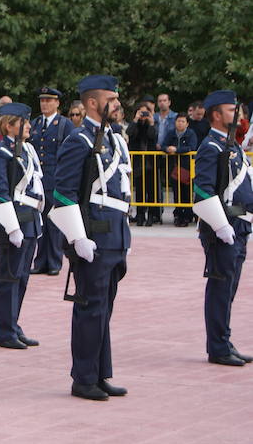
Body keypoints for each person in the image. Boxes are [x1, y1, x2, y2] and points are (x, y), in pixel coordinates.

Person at [49, 74, 131, 401]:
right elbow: (64, 193)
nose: (118, 104)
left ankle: (99, 373)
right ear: (94, 103)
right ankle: (83, 378)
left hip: (115, 236)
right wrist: (78, 237)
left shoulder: (114, 139)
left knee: (104, 309)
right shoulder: (78, 140)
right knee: (90, 308)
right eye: (112, 99)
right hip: (93, 237)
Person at [190, 91, 253, 367]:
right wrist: (220, 226)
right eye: (231, 110)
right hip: (222, 228)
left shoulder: (232, 146)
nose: (237, 115)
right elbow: (203, 191)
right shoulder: (210, 147)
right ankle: (217, 346)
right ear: (216, 115)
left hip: (239, 225)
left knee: (230, 288)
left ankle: (224, 340)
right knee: (220, 288)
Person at [0, 102, 43, 349]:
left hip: (29, 220)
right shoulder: (0, 152)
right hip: (12, 222)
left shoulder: (27, 150)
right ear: (10, 126)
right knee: (8, 277)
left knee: (21, 278)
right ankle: (5, 331)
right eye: (24, 123)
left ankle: (14, 324)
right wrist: (11, 227)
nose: (29, 127)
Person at [28, 87, 73, 276]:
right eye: (42, 100)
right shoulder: (35, 124)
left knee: (54, 223)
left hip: (56, 179)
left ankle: (54, 261)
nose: (44, 104)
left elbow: (69, 154)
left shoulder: (64, 124)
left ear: (57, 103)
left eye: (48, 100)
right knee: (39, 221)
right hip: (38, 181)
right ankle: (40, 261)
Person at [127, 98, 158, 226]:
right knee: (139, 189)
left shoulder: (152, 125)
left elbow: (152, 136)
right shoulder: (135, 124)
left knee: (151, 190)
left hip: (151, 162)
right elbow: (130, 133)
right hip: (138, 161)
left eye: (146, 113)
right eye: (141, 113)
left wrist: (151, 122)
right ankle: (140, 215)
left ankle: (151, 215)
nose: (143, 116)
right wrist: (135, 120)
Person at [163, 113, 197, 227]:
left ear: (187, 123)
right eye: (178, 121)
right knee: (176, 192)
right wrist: (167, 149)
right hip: (174, 167)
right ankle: (178, 215)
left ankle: (187, 215)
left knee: (186, 192)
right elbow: (163, 145)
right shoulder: (171, 133)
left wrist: (177, 150)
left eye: (183, 121)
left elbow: (192, 147)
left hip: (186, 167)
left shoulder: (191, 133)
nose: (180, 123)